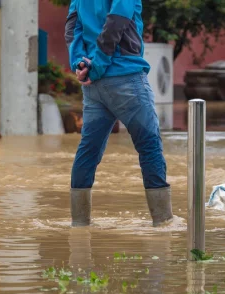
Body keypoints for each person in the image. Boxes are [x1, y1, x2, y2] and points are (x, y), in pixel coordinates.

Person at [65, 0, 173, 227]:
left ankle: (79, 225)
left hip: (93, 86)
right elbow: (118, 21)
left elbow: (72, 28)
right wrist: (98, 65)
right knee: (150, 146)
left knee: (89, 149)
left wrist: (80, 63)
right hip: (125, 77)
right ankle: (164, 224)